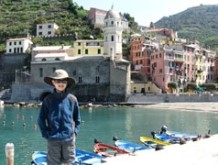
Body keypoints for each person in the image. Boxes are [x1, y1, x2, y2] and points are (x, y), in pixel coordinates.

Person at [38, 69, 81, 165]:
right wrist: (46, 134)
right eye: (58, 81)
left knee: (68, 163)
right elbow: (41, 119)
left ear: (67, 83)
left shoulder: (72, 99)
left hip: (68, 139)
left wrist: (75, 132)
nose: (61, 83)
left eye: (63, 81)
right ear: (53, 82)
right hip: (53, 139)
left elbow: (77, 119)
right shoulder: (48, 100)